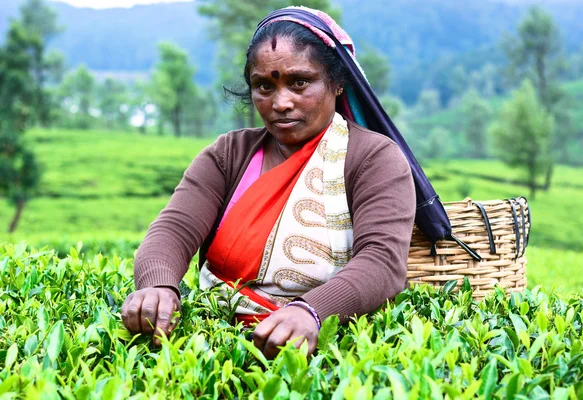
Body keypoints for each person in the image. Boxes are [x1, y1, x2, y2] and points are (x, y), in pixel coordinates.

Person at [121, 6, 416, 359]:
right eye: (264, 86)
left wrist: (311, 311)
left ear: (337, 83)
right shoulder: (229, 154)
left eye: (299, 82)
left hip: (323, 345)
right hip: (217, 340)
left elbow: (381, 260)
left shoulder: (373, 158)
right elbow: (174, 229)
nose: (281, 102)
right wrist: (158, 286)